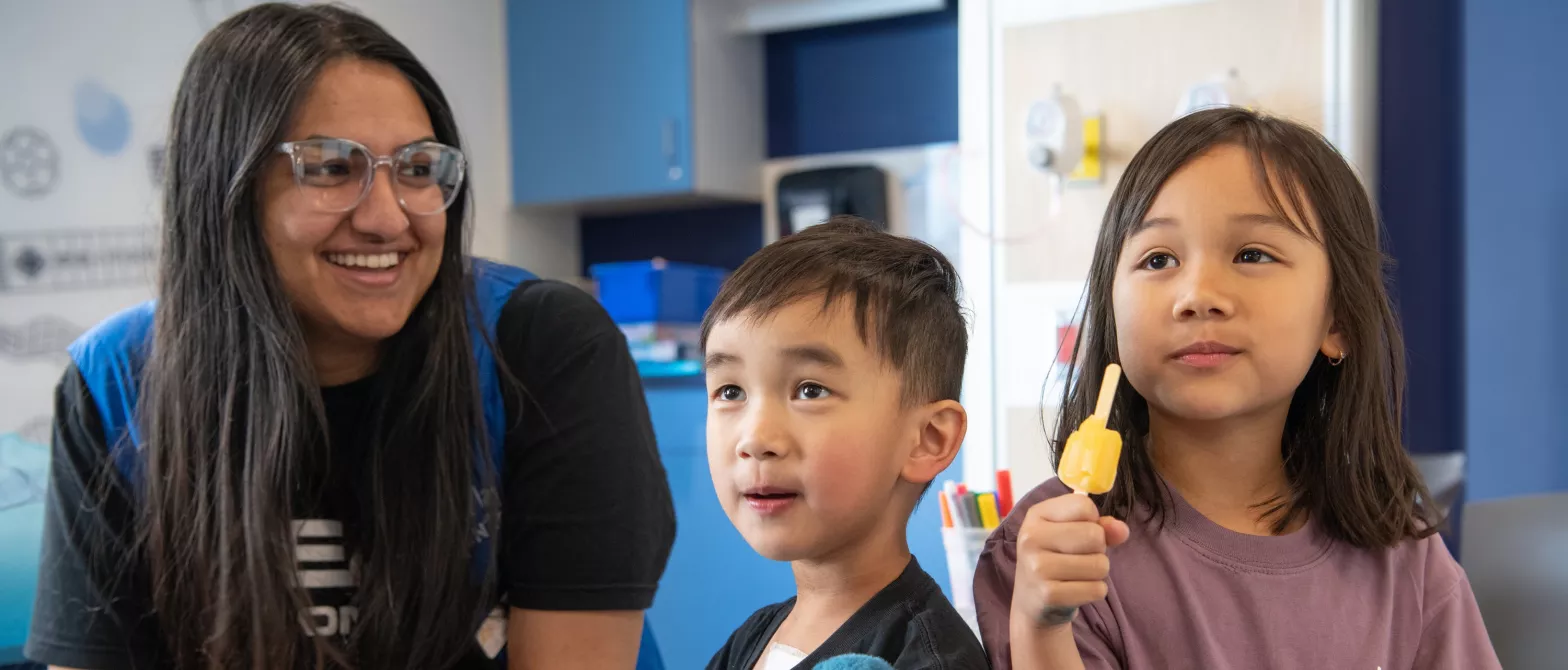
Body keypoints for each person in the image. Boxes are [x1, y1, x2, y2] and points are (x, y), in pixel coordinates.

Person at [24, 4, 674, 669]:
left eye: (419, 168)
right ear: (226, 186)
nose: (387, 218)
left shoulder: (542, 350)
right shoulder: (117, 381)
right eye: (332, 168)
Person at [973, 107, 1500, 669]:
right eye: (1159, 259)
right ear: (1111, 309)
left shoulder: (1409, 566)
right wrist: (1041, 629)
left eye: (1252, 254)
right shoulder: (1045, 557)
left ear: (1337, 322)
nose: (1198, 294)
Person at [701, 217, 989, 670]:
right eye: (730, 391)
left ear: (927, 440)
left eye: (810, 390)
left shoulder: (926, 658)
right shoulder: (753, 638)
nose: (755, 439)